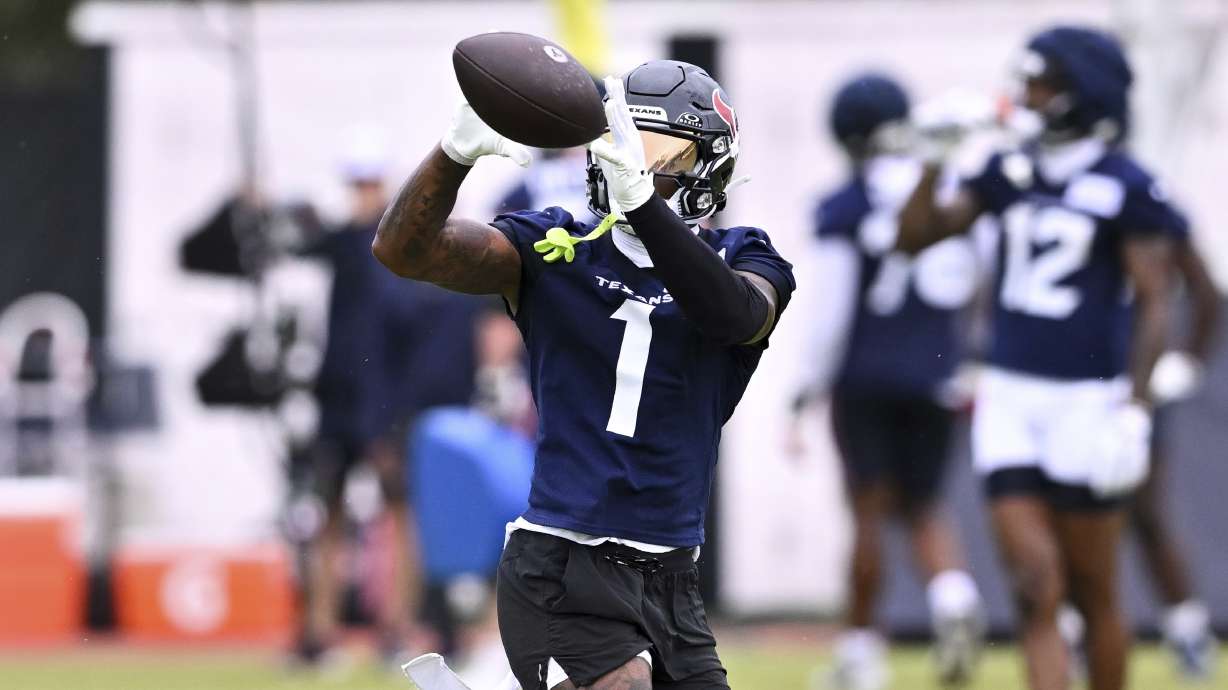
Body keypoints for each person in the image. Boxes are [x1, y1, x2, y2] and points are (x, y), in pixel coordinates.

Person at [374, 60, 794, 690]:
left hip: (673, 575)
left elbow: (735, 316)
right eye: (627, 148)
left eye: (662, 152)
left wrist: (643, 203)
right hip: (562, 563)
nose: (640, 166)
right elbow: (403, 251)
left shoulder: (745, 256)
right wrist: (452, 154)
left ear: (710, 165)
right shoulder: (552, 247)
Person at [897, 26, 1184, 690]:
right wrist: (934, 161)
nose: (1025, 95)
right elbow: (916, 238)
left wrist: (1136, 412)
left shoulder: (1126, 183)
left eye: (1040, 82)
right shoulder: (1009, 169)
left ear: (1080, 93)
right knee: (1033, 582)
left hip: (1088, 399)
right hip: (1011, 394)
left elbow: (1156, 300)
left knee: (1093, 589)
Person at [789, 73, 984, 690]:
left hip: (866, 373)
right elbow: (979, 274)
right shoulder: (945, 189)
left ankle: (860, 653)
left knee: (867, 514)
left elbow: (831, 308)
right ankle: (953, 596)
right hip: (936, 369)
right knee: (925, 506)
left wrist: (806, 387)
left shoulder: (847, 205)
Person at [296, 153, 417, 667]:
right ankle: (319, 632)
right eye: (356, 185)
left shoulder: (404, 246)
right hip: (339, 400)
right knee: (329, 513)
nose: (363, 194)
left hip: (386, 400)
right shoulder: (344, 241)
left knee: (398, 515)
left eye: (370, 184)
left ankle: (397, 630)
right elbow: (298, 239)